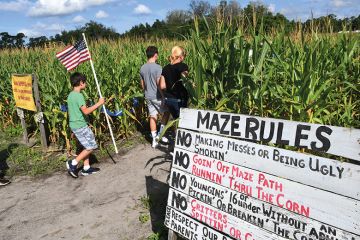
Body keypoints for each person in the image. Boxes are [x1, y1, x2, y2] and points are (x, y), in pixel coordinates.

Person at [66, 72, 105, 178]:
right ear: (80, 83)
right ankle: (73, 163)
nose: (86, 84)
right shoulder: (79, 96)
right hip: (80, 125)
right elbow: (86, 111)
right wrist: (99, 103)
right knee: (91, 146)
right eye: (85, 82)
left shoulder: (70, 95)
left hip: (75, 124)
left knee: (85, 145)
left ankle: (86, 168)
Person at [140, 46, 169, 148]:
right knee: (166, 113)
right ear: (155, 54)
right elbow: (159, 83)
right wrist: (163, 96)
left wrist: (146, 92)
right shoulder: (158, 67)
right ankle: (161, 134)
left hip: (148, 96)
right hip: (157, 96)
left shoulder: (142, 68)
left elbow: (142, 85)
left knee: (153, 116)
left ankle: (154, 139)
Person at [160, 46, 189, 119]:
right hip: (180, 99)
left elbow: (162, 86)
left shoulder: (165, 68)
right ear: (181, 57)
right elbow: (184, 79)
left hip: (168, 99)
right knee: (182, 120)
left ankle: (176, 130)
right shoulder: (183, 66)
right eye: (184, 56)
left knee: (176, 119)